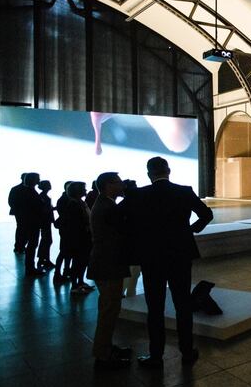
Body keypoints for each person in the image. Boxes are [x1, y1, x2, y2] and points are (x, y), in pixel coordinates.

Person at [125, 157, 213, 368]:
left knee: (154, 308)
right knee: (183, 305)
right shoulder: (184, 191)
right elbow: (206, 214)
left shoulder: (140, 194)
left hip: (152, 257)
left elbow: (126, 219)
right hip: (180, 255)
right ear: (169, 170)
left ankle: (156, 356)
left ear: (149, 174)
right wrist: (190, 230)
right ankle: (187, 352)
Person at [87, 172, 132, 370]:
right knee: (108, 310)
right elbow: (122, 226)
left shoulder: (105, 203)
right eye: (118, 182)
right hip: (108, 264)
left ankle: (105, 348)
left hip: (107, 263)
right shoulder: (106, 207)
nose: (122, 185)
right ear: (108, 185)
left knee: (111, 309)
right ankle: (103, 355)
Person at [62, 182, 95, 293]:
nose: (86, 190)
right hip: (79, 239)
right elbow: (75, 224)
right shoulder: (74, 204)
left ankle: (80, 282)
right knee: (78, 262)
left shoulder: (79, 202)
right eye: (83, 189)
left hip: (83, 238)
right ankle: (75, 284)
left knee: (82, 261)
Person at [9, 173, 44, 276]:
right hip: (32, 221)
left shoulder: (20, 190)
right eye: (37, 179)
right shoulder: (30, 192)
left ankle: (29, 264)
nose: (39, 180)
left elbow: (12, 202)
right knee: (32, 244)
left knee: (29, 241)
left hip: (26, 219)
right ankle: (30, 267)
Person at [53, 181, 74, 284]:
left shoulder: (64, 199)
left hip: (66, 229)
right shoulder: (68, 201)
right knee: (64, 252)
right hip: (67, 229)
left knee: (65, 251)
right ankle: (60, 272)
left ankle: (63, 270)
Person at [36, 180, 56, 271]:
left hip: (45, 221)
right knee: (47, 240)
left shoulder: (42, 196)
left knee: (46, 240)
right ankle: (43, 259)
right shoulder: (44, 197)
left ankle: (43, 259)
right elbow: (45, 210)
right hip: (45, 221)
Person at [7, 173, 27, 253]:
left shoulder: (15, 188)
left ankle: (19, 246)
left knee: (20, 228)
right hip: (23, 212)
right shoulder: (29, 190)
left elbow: (10, 201)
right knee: (23, 229)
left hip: (19, 212)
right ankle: (20, 246)